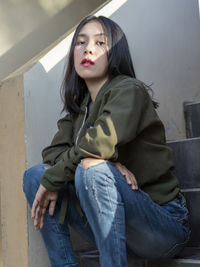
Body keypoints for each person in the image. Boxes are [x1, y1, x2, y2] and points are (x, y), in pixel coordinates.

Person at [23, 15, 190, 267]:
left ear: (116, 54)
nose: (88, 48)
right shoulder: (80, 108)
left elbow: (100, 142)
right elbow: (52, 155)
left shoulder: (129, 90)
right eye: (80, 42)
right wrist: (107, 165)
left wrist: (101, 163)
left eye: (100, 43)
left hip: (161, 227)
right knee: (36, 176)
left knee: (92, 168)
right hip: (113, 224)